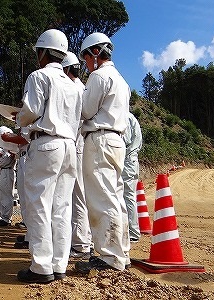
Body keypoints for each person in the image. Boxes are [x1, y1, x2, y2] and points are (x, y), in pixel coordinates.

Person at [14, 28, 81, 283]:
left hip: (46, 145)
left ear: (42, 52)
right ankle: (58, 264)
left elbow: (30, 112)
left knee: (38, 206)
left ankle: (41, 267)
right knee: (61, 208)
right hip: (68, 147)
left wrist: (18, 117)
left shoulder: (38, 76)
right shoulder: (73, 85)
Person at [74, 32, 131, 273]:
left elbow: (86, 111)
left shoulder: (99, 77)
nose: (86, 65)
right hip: (116, 141)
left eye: (86, 58)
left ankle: (109, 257)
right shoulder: (121, 80)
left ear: (95, 53)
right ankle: (121, 253)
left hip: (99, 140)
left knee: (101, 199)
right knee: (115, 198)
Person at [62, 52, 94, 260]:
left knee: (78, 196)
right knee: (80, 195)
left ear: (66, 70)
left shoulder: (73, 89)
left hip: (77, 146)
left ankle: (82, 244)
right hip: (81, 145)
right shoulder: (82, 88)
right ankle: (84, 241)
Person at [122, 111, 142, 242]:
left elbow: (125, 140)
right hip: (132, 160)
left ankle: (133, 232)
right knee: (129, 196)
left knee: (127, 196)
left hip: (127, 160)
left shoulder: (125, 117)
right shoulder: (132, 118)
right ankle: (132, 230)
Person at [0, 126, 17, 227]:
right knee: (1, 194)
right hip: (4, 172)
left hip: (8, 171)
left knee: (6, 195)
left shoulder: (10, 149)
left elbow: (3, 162)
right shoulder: (6, 149)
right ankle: (2, 216)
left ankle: (7, 218)